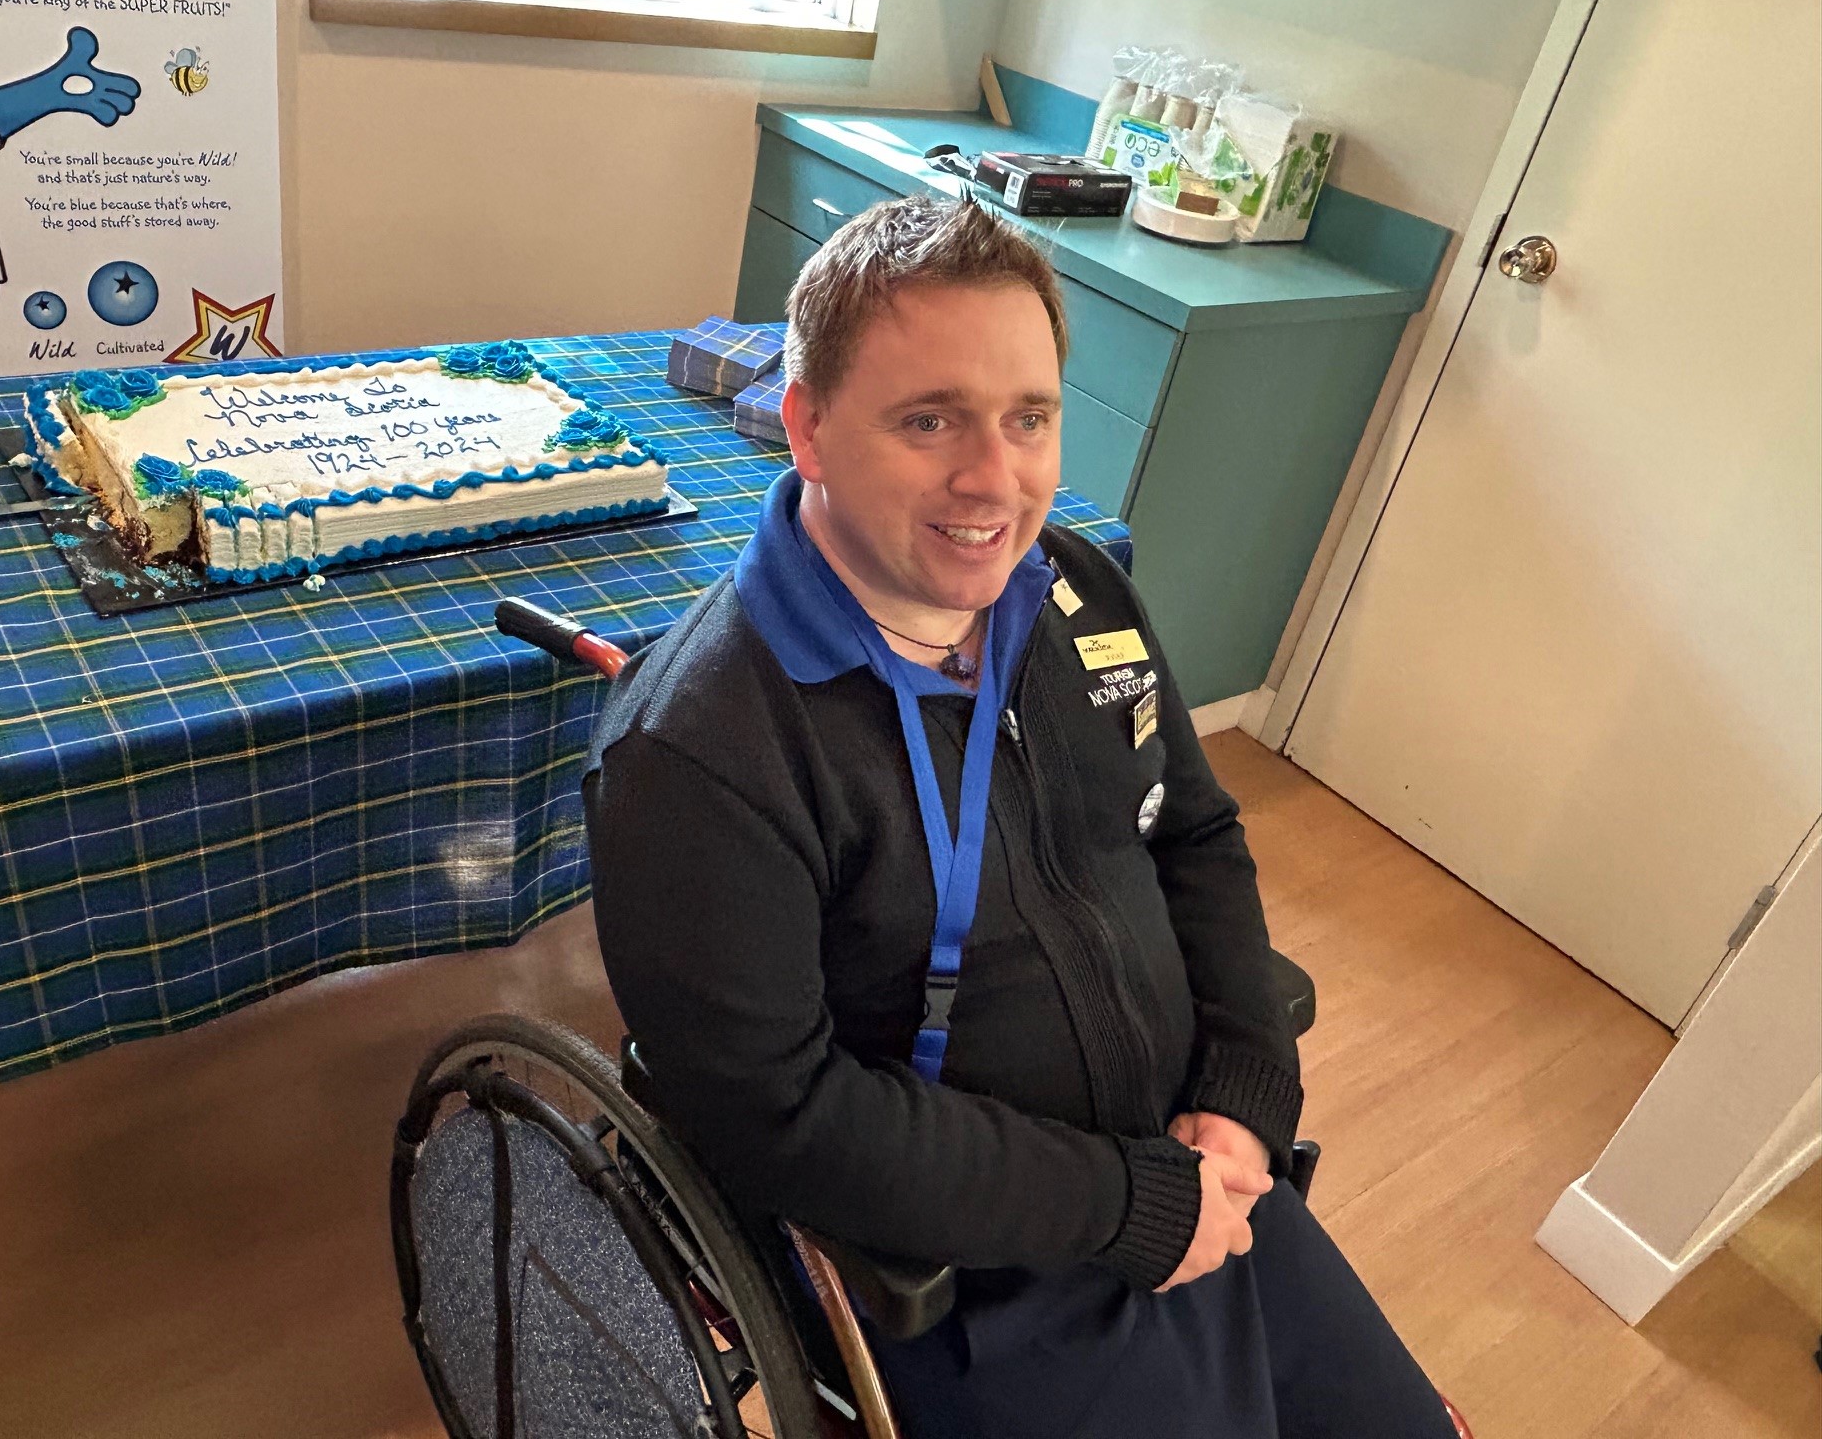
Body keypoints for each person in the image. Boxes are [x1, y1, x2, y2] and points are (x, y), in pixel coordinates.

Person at [582, 194, 1456, 1437]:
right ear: (810, 429)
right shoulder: (699, 756)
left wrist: (1249, 1081)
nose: (994, 479)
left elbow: (1194, 834)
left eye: (1028, 419)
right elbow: (790, 1121)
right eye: (928, 419)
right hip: (970, 1279)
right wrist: (1126, 1205)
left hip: (1194, 1169)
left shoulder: (1076, 596)